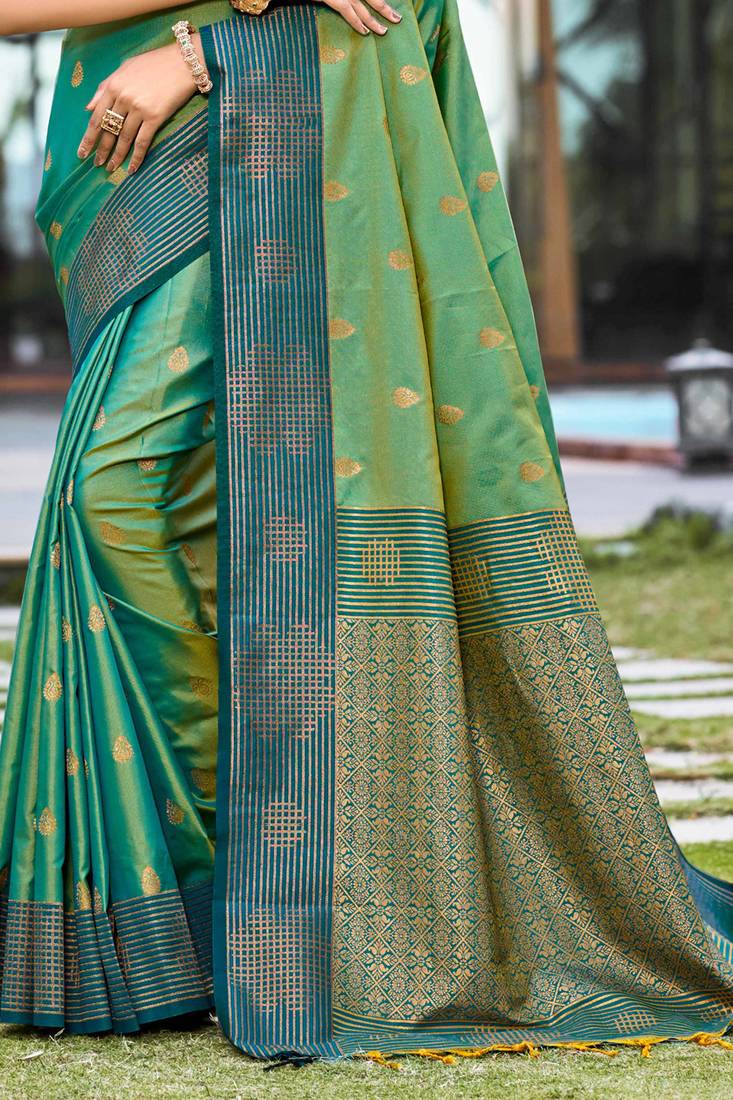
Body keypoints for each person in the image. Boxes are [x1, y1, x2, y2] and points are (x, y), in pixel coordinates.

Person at [1, 0, 732, 1064]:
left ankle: (276, 894)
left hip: (271, 126)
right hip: (127, 154)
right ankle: (202, 911)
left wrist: (211, 51)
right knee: (139, 511)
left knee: (116, 493)